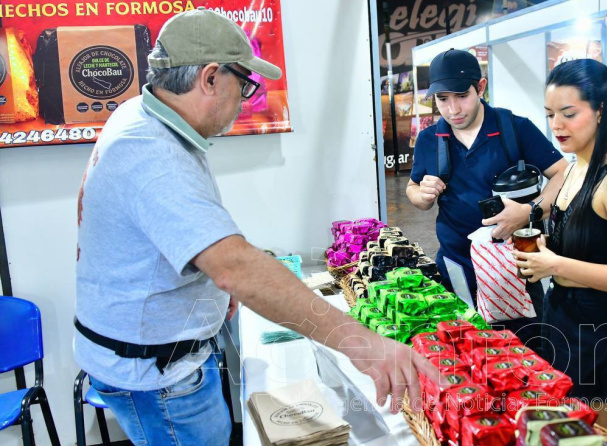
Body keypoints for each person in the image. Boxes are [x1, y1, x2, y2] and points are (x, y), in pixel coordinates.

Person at [74, 8, 438, 445]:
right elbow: (235, 266)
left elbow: (190, 246)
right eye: (243, 84)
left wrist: (215, 287)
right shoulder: (153, 155)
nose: (245, 98)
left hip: (154, 354)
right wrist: (364, 345)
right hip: (158, 375)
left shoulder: (146, 114)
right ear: (210, 78)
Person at [514, 59, 607, 446]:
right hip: (563, 327)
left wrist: (556, 264)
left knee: (605, 441)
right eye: (550, 115)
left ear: (600, 109)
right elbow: (584, 244)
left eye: (569, 113)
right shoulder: (577, 165)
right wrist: (544, 253)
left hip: (605, 339)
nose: (556, 125)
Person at [406, 49, 567, 341]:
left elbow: (563, 174)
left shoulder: (514, 128)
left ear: (480, 88)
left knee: (526, 357)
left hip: (514, 267)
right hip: (457, 268)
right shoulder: (430, 139)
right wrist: (421, 196)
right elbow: (413, 187)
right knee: (467, 356)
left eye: (461, 96)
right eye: (443, 99)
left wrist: (529, 211)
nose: (453, 109)